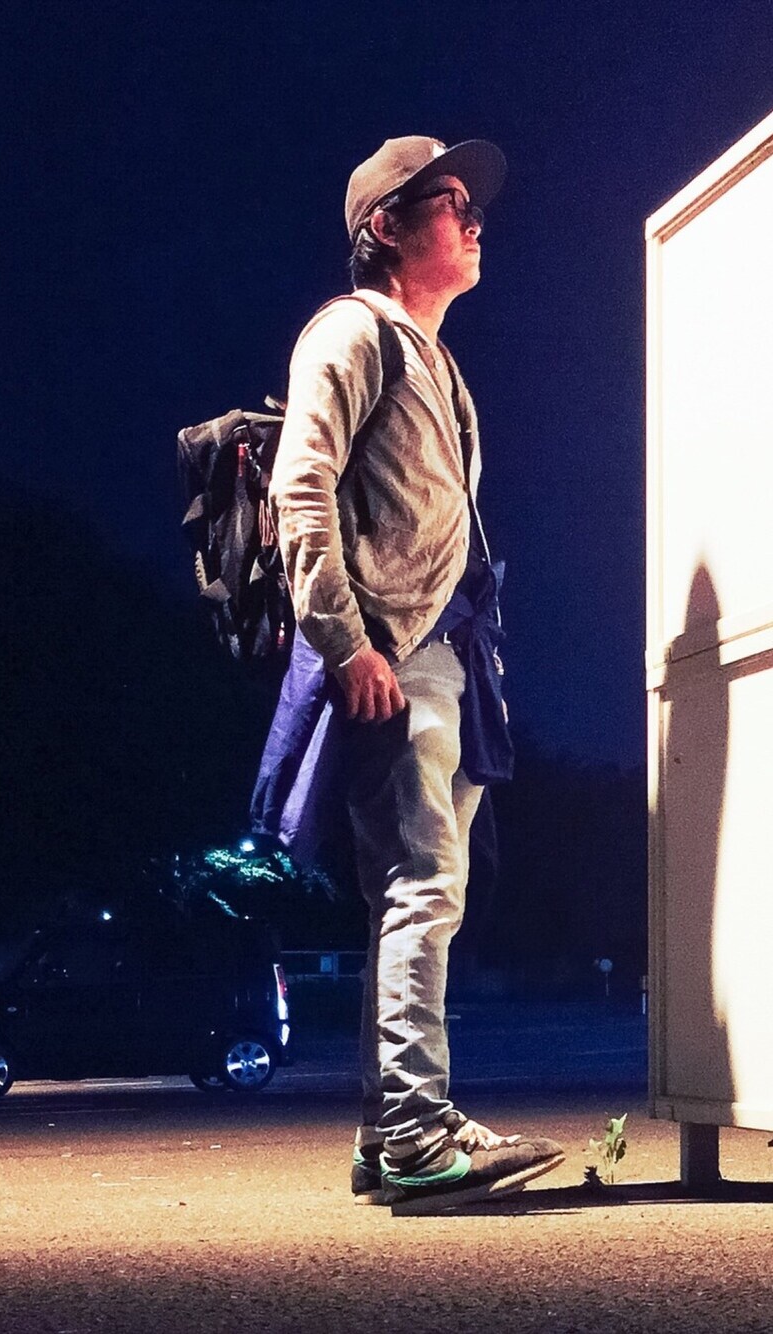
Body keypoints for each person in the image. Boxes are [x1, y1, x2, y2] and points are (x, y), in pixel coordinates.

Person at [266, 135, 564, 1208]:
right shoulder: (350, 331)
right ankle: (415, 1131)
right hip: (392, 652)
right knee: (424, 882)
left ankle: (384, 1131)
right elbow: (299, 489)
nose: (474, 219)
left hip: (449, 652)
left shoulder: (433, 357)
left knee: (419, 888)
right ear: (383, 227)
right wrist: (346, 644)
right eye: (449, 202)